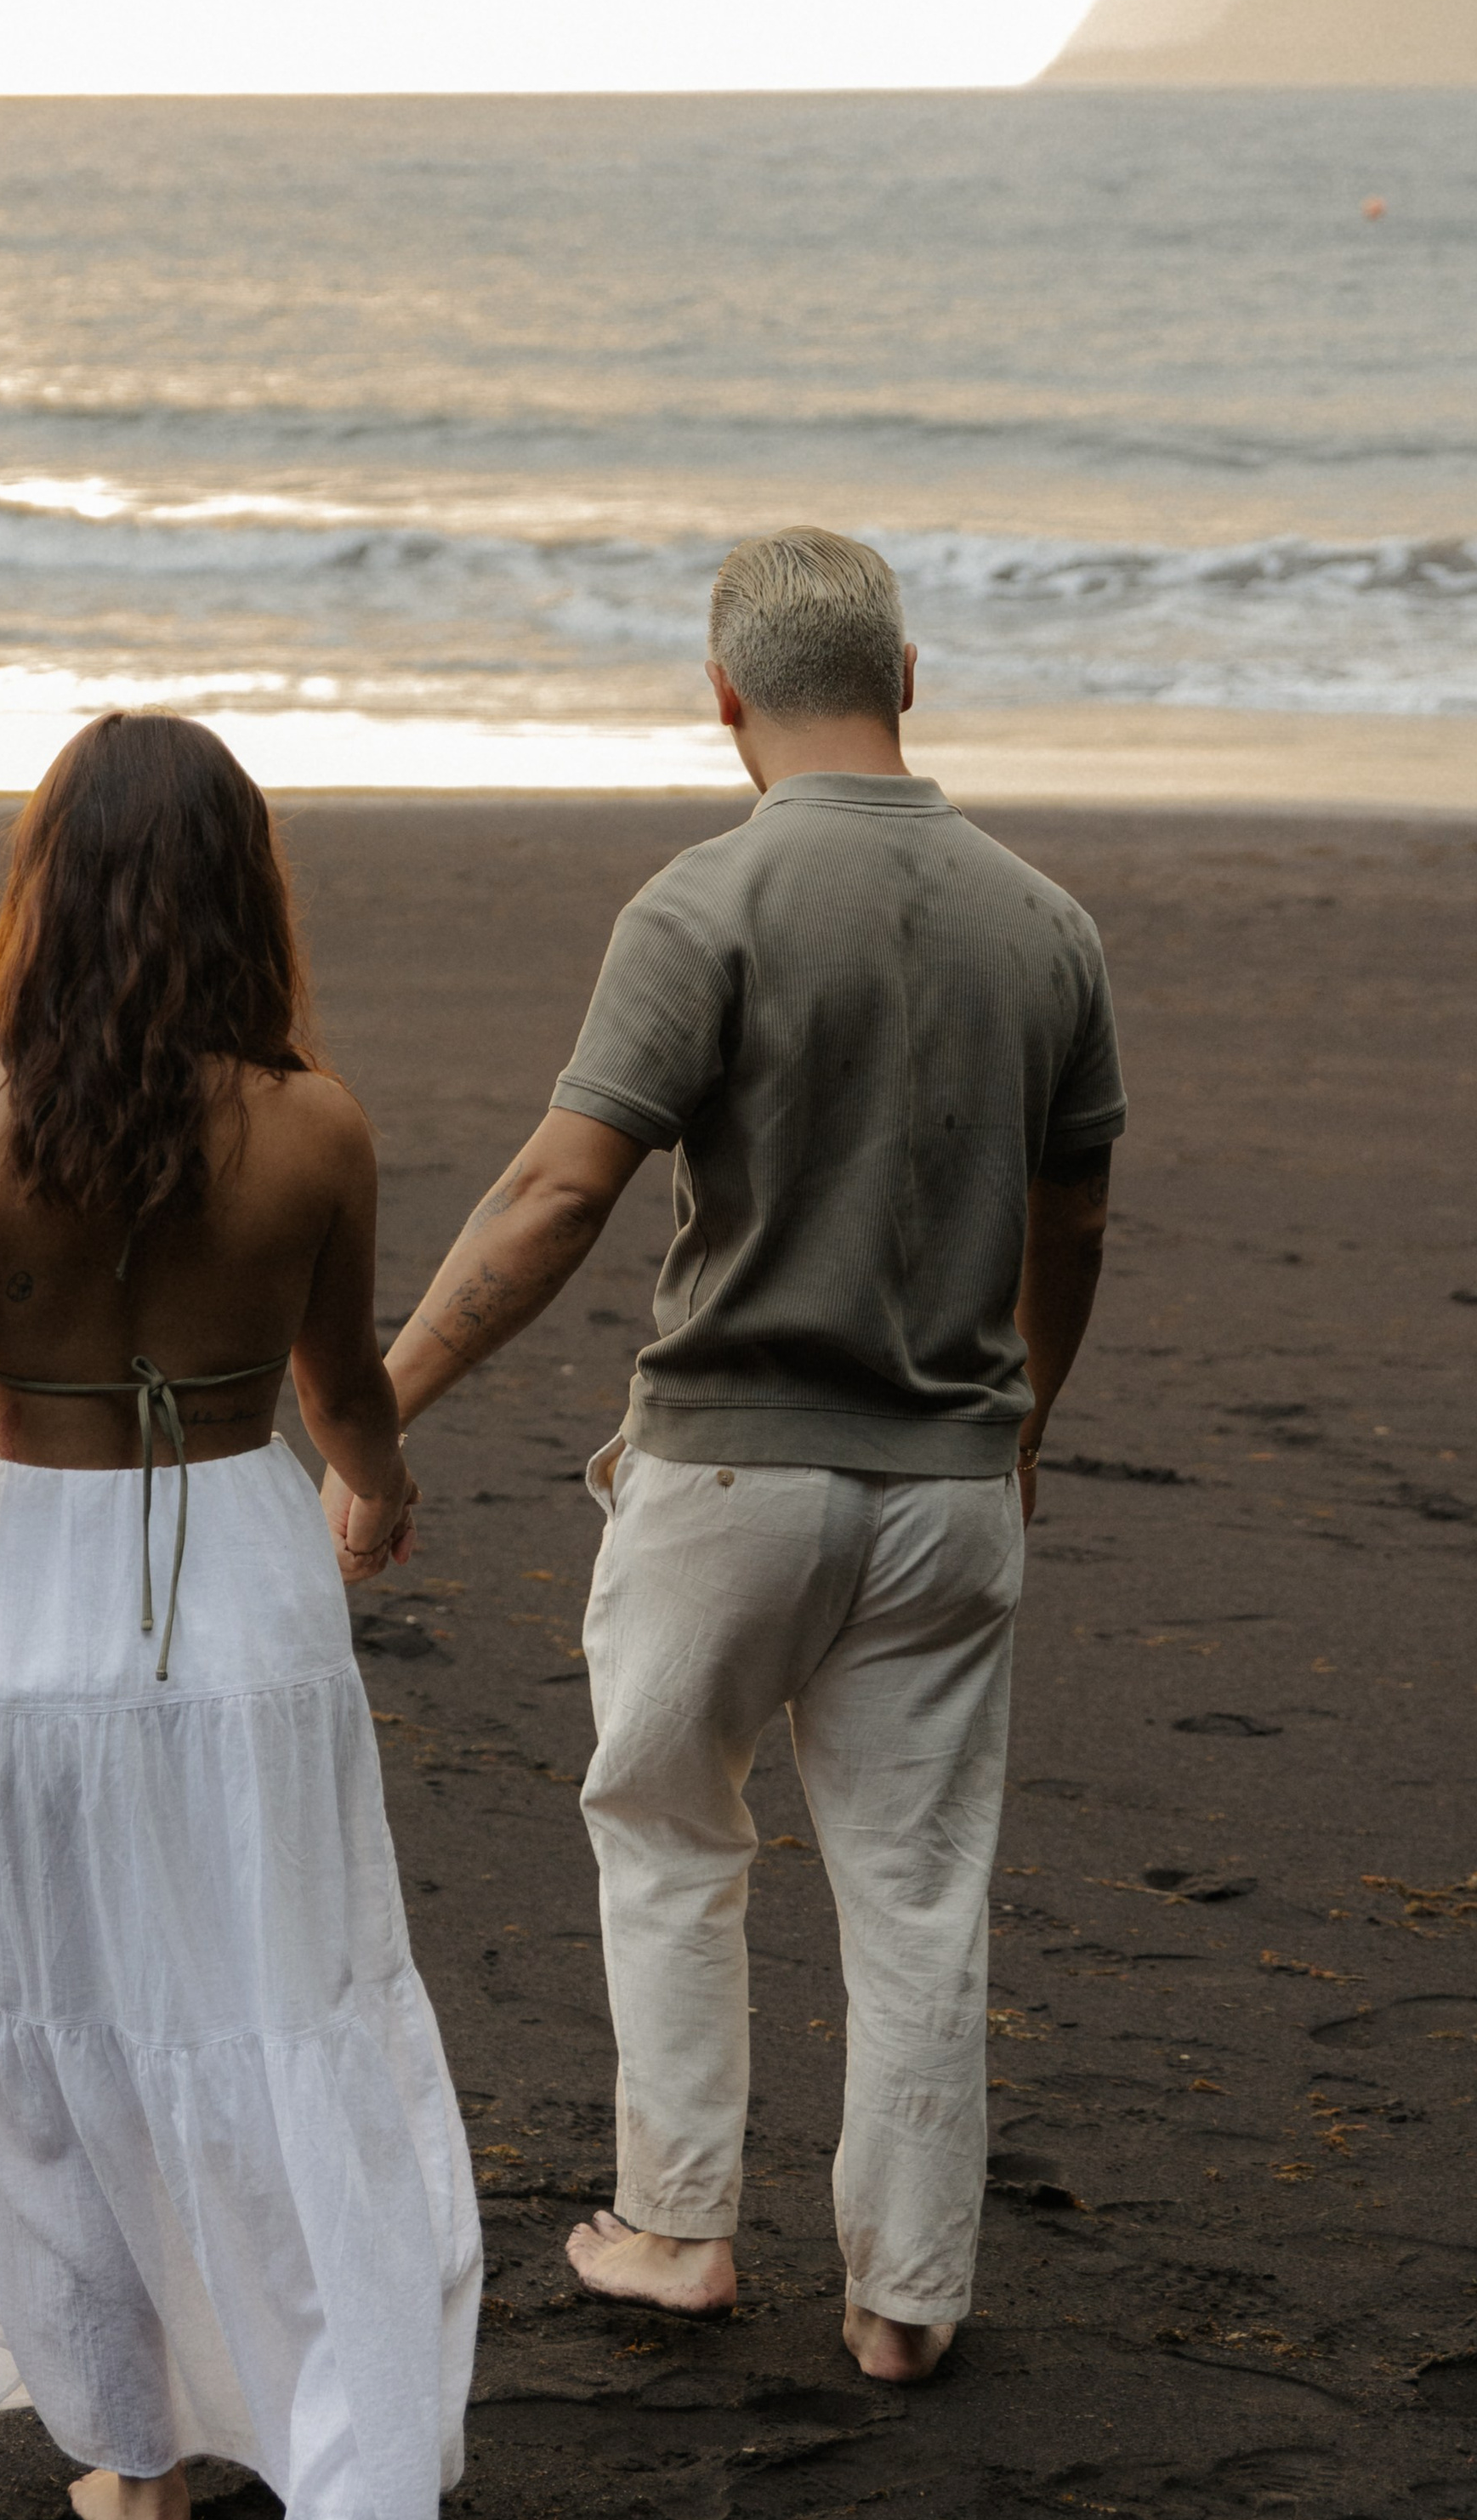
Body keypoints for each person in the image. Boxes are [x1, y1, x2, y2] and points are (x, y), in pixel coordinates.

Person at [325, 530, 1122, 2381]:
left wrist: (375, 1406)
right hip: (945, 1477)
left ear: (719, 699)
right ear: (908, 677)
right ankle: (904, 2297)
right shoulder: (1045, 923)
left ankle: (676, 2228)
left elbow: (555, 1194)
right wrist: (1025, 1423)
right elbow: (1070, 1231)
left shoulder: (702, 905)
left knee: (669, 1834)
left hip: (728, 1474)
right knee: (915, 1887)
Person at [0, 711, 478, 2520]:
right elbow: (345, 1388)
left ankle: (137, 2465)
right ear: (241, 897)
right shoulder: (314, 1124)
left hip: (24, 1605)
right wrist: (372, 1485)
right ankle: (319, 2429)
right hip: (240, 1608)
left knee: (42, 2029)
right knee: (269, 2008)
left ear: (48, 892)